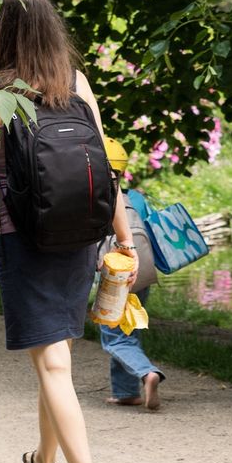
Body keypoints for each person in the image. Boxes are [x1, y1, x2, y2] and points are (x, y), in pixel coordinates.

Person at [0, 0, 138, 463]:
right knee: (54, 351)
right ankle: (44, 462)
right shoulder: (76, 83)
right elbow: (107, 168)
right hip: (82, 233)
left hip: (21, 234)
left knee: (52, 361)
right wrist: (123, 238)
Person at [98, 139, 166, 411]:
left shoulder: (93, 198)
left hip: (115, 271)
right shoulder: (136, 197)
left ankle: (147, 373)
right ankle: (126, 392)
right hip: (143, 268)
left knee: (113, 336)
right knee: (129, 327)